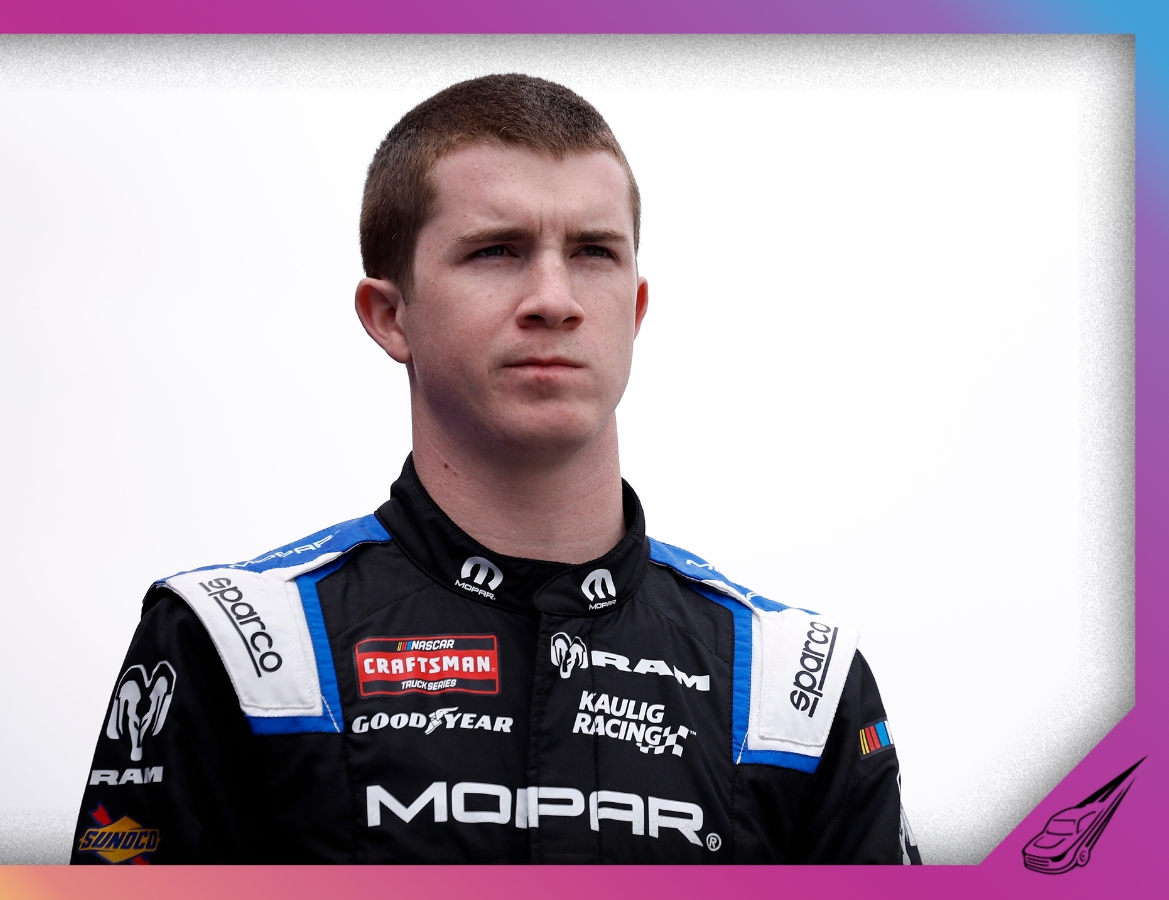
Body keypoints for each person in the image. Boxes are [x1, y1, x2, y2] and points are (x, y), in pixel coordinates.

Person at [70, 74, 922, 865]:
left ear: (635, 306)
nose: (554, 297)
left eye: (593, 251)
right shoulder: (241, 645)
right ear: (389, 315)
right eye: (497, 251)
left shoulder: (797, 685)